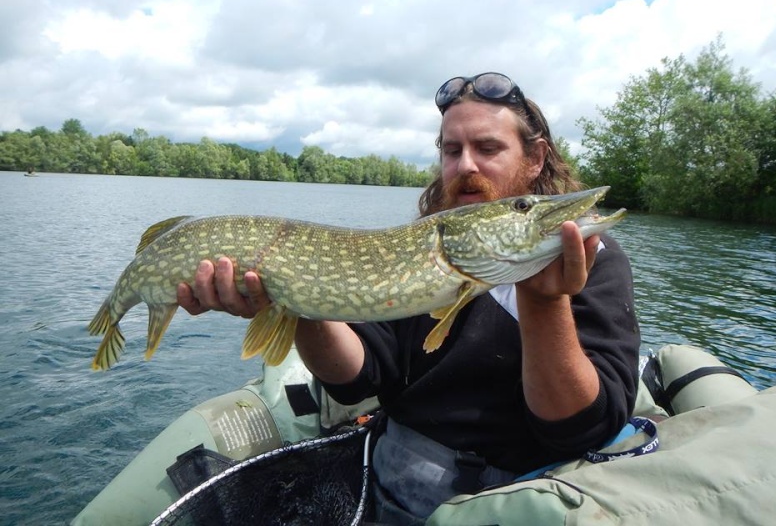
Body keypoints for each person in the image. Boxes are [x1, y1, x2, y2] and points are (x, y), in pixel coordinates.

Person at [177, 72, 641, 524]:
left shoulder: (591, 263)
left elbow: (579, 430)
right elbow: (356, 378)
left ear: (536, 158)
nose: (466, 167)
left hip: (520, 497)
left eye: (488, 148)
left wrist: (544, 304)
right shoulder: (423, 245)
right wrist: (296, 302)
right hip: (391, 479)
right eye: (452, 150)